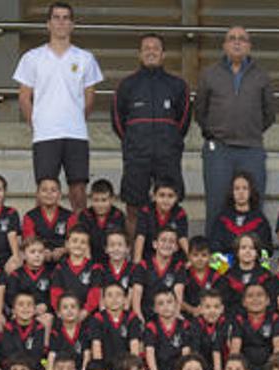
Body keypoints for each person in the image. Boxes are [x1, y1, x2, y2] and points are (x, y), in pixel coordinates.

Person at [13, 1, 103, 212]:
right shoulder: (32, 57)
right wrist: (36, 124)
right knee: (45, 189)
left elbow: (90, 98)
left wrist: (76, 120)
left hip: (76, 133)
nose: (61, 22)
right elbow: (24, 97)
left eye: (66, 18)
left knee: (78, 187)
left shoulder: (85, 58)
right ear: (48, 24)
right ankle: (39, 240)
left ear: (72, 25)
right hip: (45, 134)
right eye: (56, 17)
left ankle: (80, 236)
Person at [111, 33, 191, 238]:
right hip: (137, 155)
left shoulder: (178, 85)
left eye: (155, 48)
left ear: (163, 54)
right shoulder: (126, 85)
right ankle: (134, 256)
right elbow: (118, 122)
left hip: (167, 154)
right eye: (146, 48)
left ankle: (167, 256)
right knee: (133, 205)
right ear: (140, 54)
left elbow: (183, 121)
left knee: (169, 204)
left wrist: (170, 140)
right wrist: (133, 141)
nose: (151, 52)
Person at [196, 26, 276, 227]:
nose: (237, 42)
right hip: (219, 149)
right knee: (216, 205)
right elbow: (200, 110)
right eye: (232, 38)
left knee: (254, 204)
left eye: (242, 39)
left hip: (251, 149)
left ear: (249, 46)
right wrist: (216, 132)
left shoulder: (261, 76)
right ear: (224, 45)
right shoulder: (210, 74)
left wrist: (250, 130)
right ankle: (216, 256)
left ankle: (256, 256)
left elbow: (269, 114)